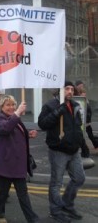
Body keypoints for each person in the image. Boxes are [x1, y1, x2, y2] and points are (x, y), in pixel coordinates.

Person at [38, 81, 88, 223]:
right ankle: (55, 210)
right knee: (56, 183)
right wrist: (57, 112)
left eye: (72, 89)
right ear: (60, 90)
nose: (70, 92)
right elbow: (42, 124)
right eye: (67, 89)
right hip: (58, 150)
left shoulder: (75, 105)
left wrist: (82, 144)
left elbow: (78, 128)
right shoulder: (50, 105)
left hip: (74, 150)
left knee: (79, 178)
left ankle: (66, 204)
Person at [0, 95, 39, 223]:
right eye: (8, 105)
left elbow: (15, 134)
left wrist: (28, 134)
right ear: (1, 107)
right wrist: (17, 113)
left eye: (13, 105)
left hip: (18, 163)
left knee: (23, 195)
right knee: (2, 193)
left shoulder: (13, 118)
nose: (11, 107)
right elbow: (5, 129)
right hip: (5, 163)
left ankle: (32, 219)